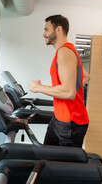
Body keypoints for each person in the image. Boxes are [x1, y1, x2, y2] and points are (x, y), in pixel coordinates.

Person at [29, 15, 90, 148]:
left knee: (64, 167)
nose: (43, 34)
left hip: (70, 122)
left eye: (46, 29)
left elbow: (69, 92)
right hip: (59, 118)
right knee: (46, 156)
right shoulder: (68, 51)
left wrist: (38, 88)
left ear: (58, 30)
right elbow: (85, 77)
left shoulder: (64, 52)